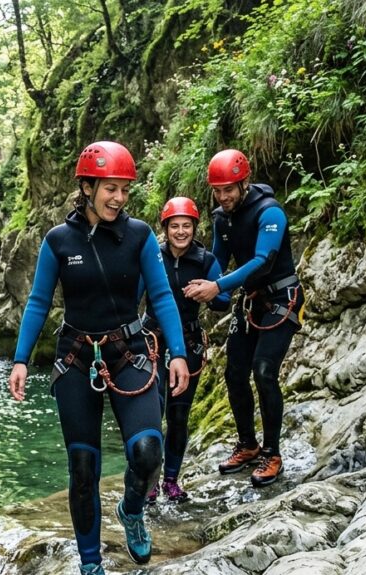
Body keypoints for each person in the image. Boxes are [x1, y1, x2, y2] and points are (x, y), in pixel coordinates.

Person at [7, 141, 191, 575]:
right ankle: (91, 565)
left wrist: (178, 353)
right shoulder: (58, 241)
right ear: (87, 186)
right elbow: (37, 302)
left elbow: (162, 295)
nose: (120, 198)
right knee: (84, 467)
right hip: (76, 356)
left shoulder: (141, 235)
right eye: (111, 188)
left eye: (125, 189)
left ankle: (131, 509)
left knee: (147, 450)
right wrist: (20, 359)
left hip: (130, 351)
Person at [183, 148, 304, 488]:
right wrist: (215, 296)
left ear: (244, 183)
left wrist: (218, 286)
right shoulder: (222, 218)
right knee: (234, 373)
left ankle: (272, 453)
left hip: (282, 299)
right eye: (217, 191)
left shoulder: (271, 213)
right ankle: (248, 444)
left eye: (229, 190)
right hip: (251, 302)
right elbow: (218, 261)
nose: (223, 197)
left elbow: (263, 261)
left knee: (264, 371)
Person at [142, 197, 229, 504]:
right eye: (175, 226)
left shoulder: (205, 260)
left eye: (186, 226)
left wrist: (209, 291)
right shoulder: (152, 256)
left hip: (188, 342)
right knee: (151, 414)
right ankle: (150, 481)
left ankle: (171, 481)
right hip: (152, 340)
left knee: (178, 416)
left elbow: (224, 299)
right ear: (165, 228)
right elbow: (135, 296)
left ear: (195, 227)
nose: (181, 232)